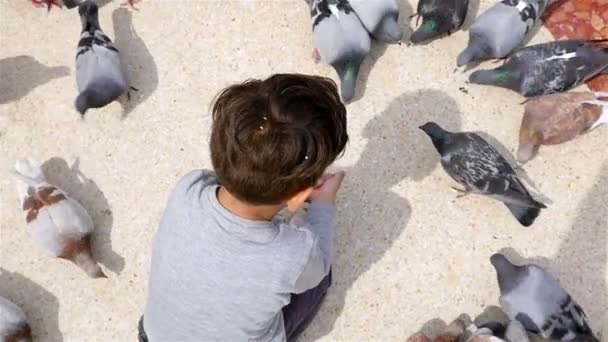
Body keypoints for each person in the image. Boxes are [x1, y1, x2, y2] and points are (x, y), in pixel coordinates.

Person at [139, 73, 349, 341]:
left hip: (152, 336)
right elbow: (315, 270)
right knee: (319, 278)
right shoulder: (295, 254)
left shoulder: (189, 188)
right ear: (298, 197)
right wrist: (322, 204)